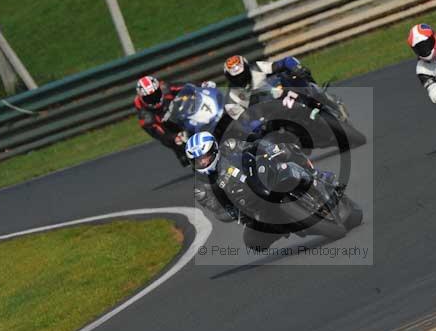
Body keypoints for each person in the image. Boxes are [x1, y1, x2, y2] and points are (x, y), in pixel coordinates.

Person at [185, 131, 339, 247]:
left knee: (287, 150)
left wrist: (270, 149)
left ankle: (317, 175)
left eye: (205, 156)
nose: (203, 162)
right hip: (253, 207)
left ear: (214, 150)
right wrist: (229, 210)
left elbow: (254, 146)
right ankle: (291, 227)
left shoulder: (229, 147)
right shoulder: (201, 188)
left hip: (261, 175)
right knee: (252, 241)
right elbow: (217, 208)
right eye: (198, 160)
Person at [134, 75, 215, 164]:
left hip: (180, 112)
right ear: (142, 98)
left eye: (155, 94)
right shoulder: (145, 116)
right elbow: (160, 134)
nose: (154, 99)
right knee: (181, 145)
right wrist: (174, 137)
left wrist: (202, 85)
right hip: (169, 128)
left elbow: (185, 86)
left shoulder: (165, 87)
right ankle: (187, 156)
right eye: (149, 98)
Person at [222, 55, 315, 120]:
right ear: (229, 78)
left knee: (293, 75)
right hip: (265, 116)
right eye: (236, 77)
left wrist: (296, 68)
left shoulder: (257, 68)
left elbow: (284, 62)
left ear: (247, 68)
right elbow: (243, 122)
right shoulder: (231, 98)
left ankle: (315, 93)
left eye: (242, 74)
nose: (241, 78)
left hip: (280, 96)